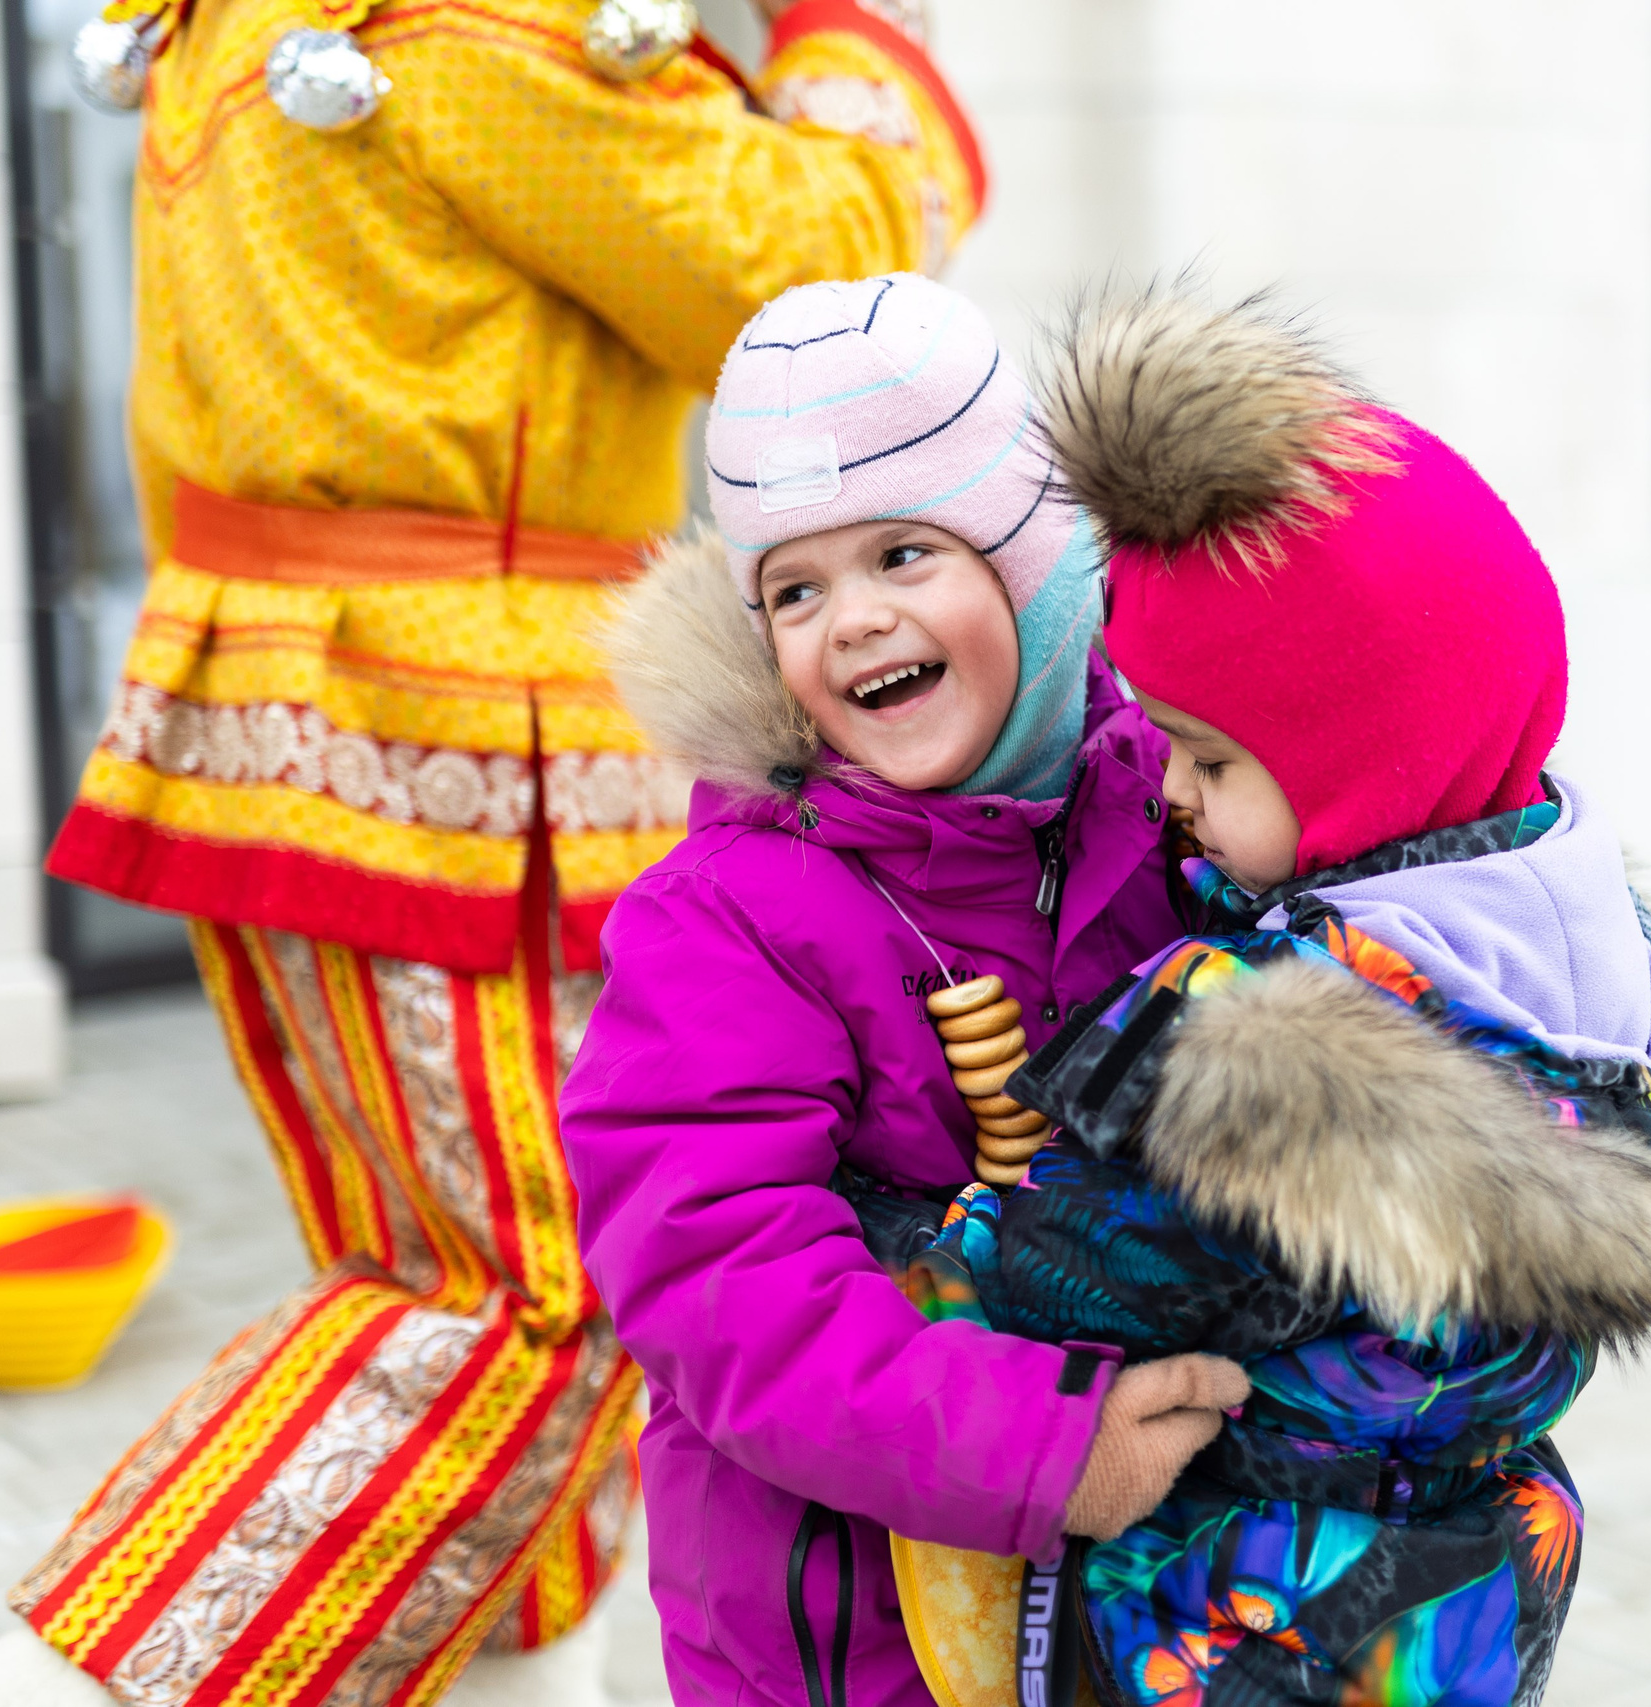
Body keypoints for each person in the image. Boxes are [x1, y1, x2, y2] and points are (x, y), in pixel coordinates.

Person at [0, 5, 995, 1705]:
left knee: (438, 1285)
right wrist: (836, 32)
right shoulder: (467, 30)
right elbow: (826, 288)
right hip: (463, 732)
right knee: (555, 1293)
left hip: (299, 710)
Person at [878, 286, 1651, 1704]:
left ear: (1354, 767)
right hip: (1468, 1599)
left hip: (1235, 1621)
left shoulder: (1262, 1065)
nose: (1165, 785)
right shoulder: (1593, 962)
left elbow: (1029, 1283)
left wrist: (896, 1220)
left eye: (1204, 755)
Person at [559, 273, 1253, 1705]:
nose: (853, 620)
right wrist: (1048, 1446)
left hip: (1163, 1598)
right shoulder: (730, 916)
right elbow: (718, 1275)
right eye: (795, 589)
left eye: (903, 553)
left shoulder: (1185, 811)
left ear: (1039, 565)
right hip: (839, 1630)